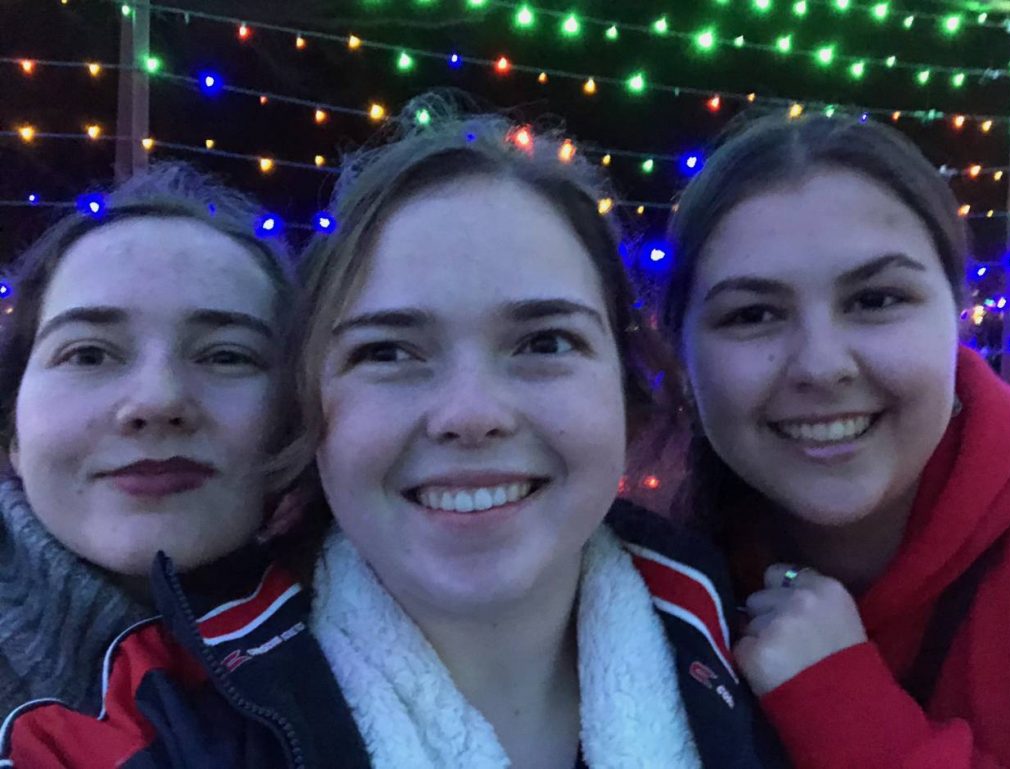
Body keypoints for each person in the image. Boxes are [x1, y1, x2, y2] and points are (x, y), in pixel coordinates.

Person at [1, 103, 785, 768]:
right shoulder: (177, 721)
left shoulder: (755, 647)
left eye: (545, 341)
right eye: (389, 351)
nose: (471, 412)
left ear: (626, 382)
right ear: (313, 414)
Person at [660, 111, 1010, 769]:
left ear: (958, 309)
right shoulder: (651, 581)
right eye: (754, 314)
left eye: (877, 299)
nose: (822, 366)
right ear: (681, 355)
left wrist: (844, 706)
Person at [0, 163, 299, 716]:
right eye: (88, 353)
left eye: (226, 355)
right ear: (11, 430)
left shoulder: (414, 658)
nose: (157, 402)